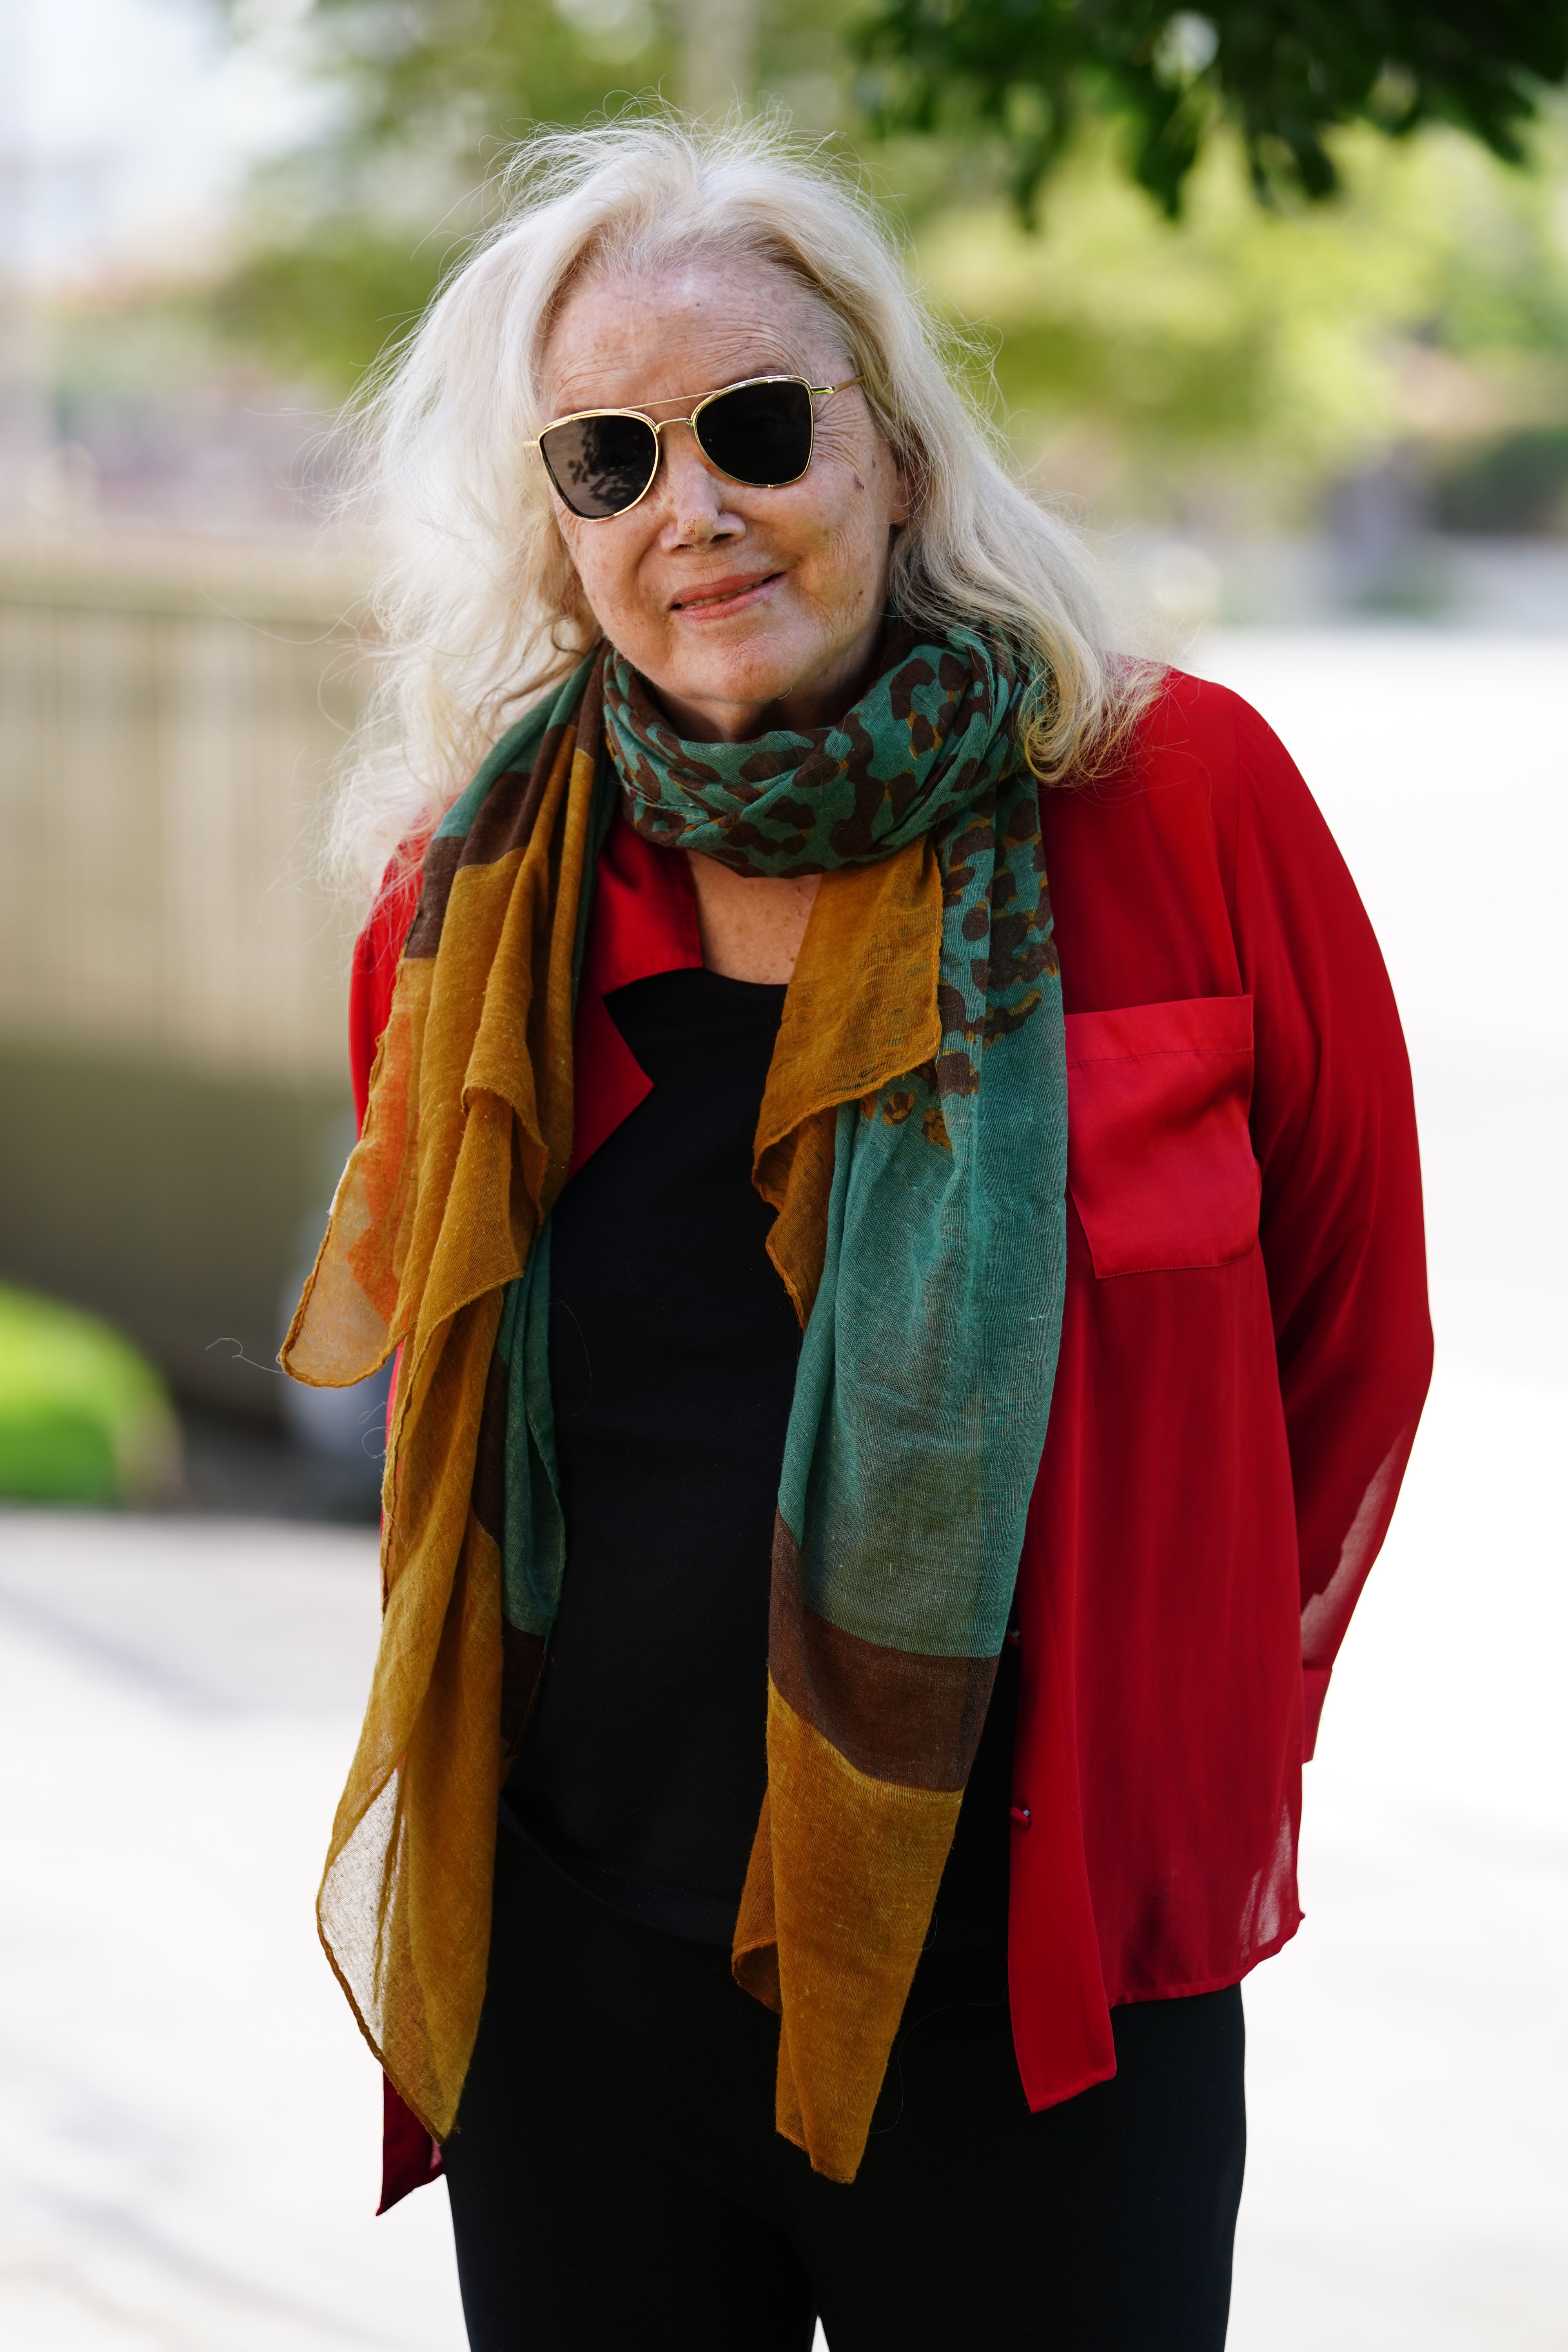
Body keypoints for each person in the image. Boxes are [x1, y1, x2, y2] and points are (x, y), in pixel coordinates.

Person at [284, 116, 1432, 2352]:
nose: (690, 508)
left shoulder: (1183, 804)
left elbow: (1346, 1345)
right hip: (582, 1998)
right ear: (558, 530)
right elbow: (455, 1400)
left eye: (756, 427)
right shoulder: (466, 912)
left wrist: (1176, 1761)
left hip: (1034, 2013)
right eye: (606, 460)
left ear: (893, 449)